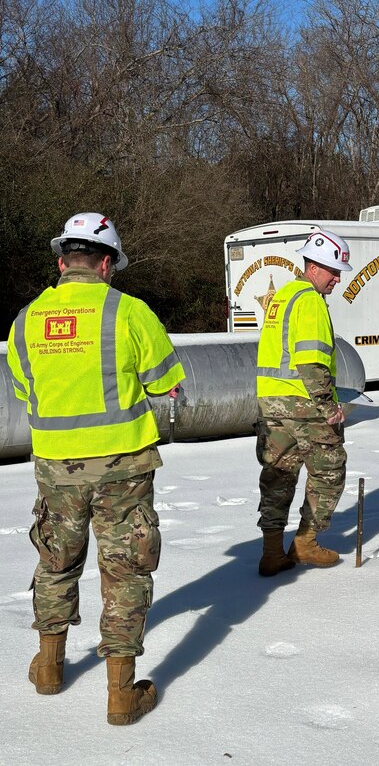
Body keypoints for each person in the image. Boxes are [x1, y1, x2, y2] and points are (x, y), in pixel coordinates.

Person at [7, 213, 185, 725]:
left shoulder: (25, 320)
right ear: (106, 264)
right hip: (123, 466)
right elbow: (164, 382)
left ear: (63, 262)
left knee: (55, 562)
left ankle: (48, 670)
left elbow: (25, 389)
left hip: (56, 470)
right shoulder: (128, 312)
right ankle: (121, 696)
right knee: (124, 571)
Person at [255, 229, 352, 576]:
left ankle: (271, 552)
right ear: (313, 267)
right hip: (303, 404)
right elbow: (310, 362)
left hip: (272, 404)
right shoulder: (309, 300)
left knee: (278, 475)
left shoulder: (283, 295)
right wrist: (329, 408)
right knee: (330, 470)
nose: (337, 279)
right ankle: (305, 543)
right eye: (332, 271)